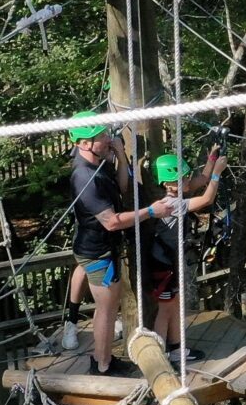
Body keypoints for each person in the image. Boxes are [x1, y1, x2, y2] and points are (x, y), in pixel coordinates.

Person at [65, 114, 179, 375]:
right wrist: (151, 211)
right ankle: (103, 365)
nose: (108, 138)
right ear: (84, 143)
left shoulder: (97, 164)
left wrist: (120, 154)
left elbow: (123, 187)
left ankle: (102, 360)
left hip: (101, 248)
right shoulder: (84, 178)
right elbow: (112, 222)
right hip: (98, 252)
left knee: (107, 306)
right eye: (102, 136)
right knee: (106, 309)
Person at [140, 147, 227, 359]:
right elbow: (206, 199)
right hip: (163, 264)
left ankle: (177, 348)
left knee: (175, 306)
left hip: (169, 261)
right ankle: (160, 355)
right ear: (170, 183)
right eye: (184, 177)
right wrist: (218, 173)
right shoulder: (171, 204)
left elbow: (202, 179)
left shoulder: (172, 194)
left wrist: (212, 158)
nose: (189, 180)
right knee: (166, 310)